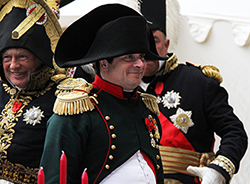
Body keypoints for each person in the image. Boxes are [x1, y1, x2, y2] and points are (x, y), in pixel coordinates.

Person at [39, 3, 166, 184]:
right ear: (104, 63)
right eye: (129, 57)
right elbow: (55, 178)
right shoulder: (77, 112)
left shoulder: (145, 107)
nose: (140, 64)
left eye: (142, 57)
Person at [139, 0, 248, 183]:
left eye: (154, 41)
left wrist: (219, 169)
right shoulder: (123, 87)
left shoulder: (197, 82)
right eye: (141, 42)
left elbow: (234, 132)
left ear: (166, 45)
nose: (147, 49)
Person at [0, 0, 63, 183]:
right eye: (7, 58)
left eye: (22, 57)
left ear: (39, 58)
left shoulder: (61, 96)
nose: (13, 65)